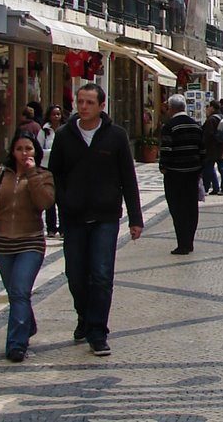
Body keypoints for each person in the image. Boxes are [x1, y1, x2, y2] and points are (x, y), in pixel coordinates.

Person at [48, 83, 143, 357]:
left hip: (105, 216)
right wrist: (62, 205)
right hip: (74, 217)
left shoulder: (116, 136)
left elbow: (128, 178)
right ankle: (85, 316)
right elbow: (54, 176)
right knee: (76, 275)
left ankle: (98, 331)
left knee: (101, 275)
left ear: (102, 106)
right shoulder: (65, 136)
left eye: (90, 102)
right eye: (80, 101)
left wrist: (135, 218)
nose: (84, 107)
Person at [0, 130, 56, 362]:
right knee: (16, 294)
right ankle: (27, 323)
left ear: (35, 151)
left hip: (31, 243)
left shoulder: (43, 175)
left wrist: (31, 174)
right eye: (19, 149)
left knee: (19, 291)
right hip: (2, 245)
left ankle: (16, 345)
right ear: (12, 151)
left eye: (28, 148)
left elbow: (45, 203)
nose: (24, 153)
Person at [159, 94, 204, 254]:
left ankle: (182, 243)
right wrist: (200, 169)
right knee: (191, 207)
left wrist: (163, 166)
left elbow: (166, 149)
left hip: (175, 174)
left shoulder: (169, 126)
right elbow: (202, 150)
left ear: (171, 108)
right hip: (192, 173)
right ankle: (189, 241)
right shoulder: (196, 126)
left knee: (177, 208)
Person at [38, 105, 65, 237]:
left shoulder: (65, 130)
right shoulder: (44, 131)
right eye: (54, 114)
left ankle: (63, 227)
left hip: (61, 169)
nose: (56, 117)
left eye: (58, 114)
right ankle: (51, 228)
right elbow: (38, 150)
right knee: (50, 199)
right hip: (46, 168)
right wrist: (52, 152)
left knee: (62, 198)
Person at [201, 100, 223, 195]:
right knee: (222, 168)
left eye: (208, 107)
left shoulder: (211, 120)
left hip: (212, 148)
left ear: (212, 108)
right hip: (222, 146)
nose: (207, 109)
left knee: (209, 168)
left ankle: (207, 188)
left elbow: (208, 135)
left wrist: (203, 145)